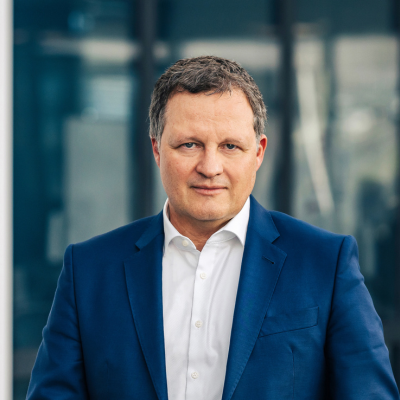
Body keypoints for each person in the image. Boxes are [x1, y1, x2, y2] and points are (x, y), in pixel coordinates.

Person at [27, 56, 399, 400]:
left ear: (258, 152)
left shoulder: (326, 264)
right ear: (157, 149)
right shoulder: (89, 270)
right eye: (189, 144)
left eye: (230, 146)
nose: (210, 167)